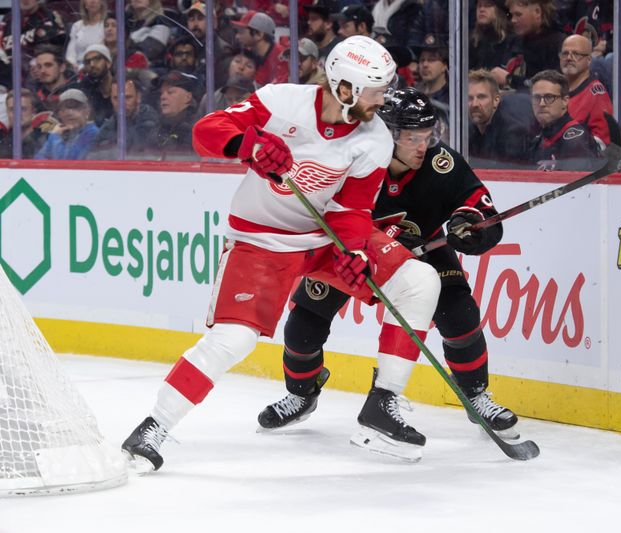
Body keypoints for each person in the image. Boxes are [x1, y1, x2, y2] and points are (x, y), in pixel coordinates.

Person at [122, 36, 441, 470]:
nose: (383, 99)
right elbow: (206, 132)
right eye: (376, 90)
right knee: (233, 340)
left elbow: (352, 208)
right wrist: (247, 146)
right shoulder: (281, 102)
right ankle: (153, 427)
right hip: (262, 242)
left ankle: (382, 406)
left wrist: (356, 252)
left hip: (324, 236)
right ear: (344, 88)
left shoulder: (375, 139)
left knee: (420, 281)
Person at [257, 88, 520, 460]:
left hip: (422, 255)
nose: (422, 146)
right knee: (303, 326)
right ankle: (301, 394)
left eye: (428, 136)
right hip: (351, 253)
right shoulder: (353, 159)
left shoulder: (441, 164)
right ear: (386, 134)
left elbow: (482, 211)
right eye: (413, 138)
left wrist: (470, 226)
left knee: (460, 315)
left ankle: (476, 396)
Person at [528, 69, 601, 170]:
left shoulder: (577, 142)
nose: (542, 104)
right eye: (536, 98)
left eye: (549, 97)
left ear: (565, 101)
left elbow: (579, 185)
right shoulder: (537, 141)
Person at [495, 0, 565, 91]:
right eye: (511, 15)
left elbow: (550, 87)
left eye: (518, 14)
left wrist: (510, 80)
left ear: (537, 12)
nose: (513, 20)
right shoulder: (513, 41)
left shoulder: (558, 44)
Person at [559, 34, 612, 147]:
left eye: (576, 54)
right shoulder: (554, 88)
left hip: (578, 161)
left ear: (588, 60)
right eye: (565, 53)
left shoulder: (596, 92)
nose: (569, 58)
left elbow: (603, 141)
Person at [468, 69, 530, 162]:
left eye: (481, 97)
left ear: (496, 100)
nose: (474, 104)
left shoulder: (512, 134)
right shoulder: (465, 132)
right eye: (469, 98)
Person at [91, 78, 159, 158]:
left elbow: (139, 149)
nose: (122, 103)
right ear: (111, 100)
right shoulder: (107, 127)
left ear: (138, 98)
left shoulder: (151, 120)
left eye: (127, 97)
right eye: (116, 98)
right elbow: (93, 156)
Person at [35, 88, 99, 160]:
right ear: (59, 114)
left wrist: (56, 137)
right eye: (64, 109)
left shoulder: (93, 133)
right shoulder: (57, 133)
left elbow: (70, 160)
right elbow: (38, 160)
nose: (69, 113)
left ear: (87, 111)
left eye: (75, 108)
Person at [232, 11, 288, 85]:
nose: (237, 36)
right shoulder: (249, 52)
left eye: (241, 32)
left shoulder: (282, 57)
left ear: (259, 35)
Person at [155, 70, 200, 156]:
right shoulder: (158, 125)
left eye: (170, 92)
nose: (163, 97)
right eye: (161, 93)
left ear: (188, 97)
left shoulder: (196, 129)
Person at [0, 88, 53, 158]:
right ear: (7, 112)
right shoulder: (2, 144)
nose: (17, 113)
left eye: (23, 109)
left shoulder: (48, 141)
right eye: (12, 109)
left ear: (33, 112)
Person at [469, 0, 516, 71]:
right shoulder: (474, 42)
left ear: (499, 11)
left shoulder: (511, 41)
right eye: (479, 6)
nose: (481, 9)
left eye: (487, 5)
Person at [31, 45, 78, 111]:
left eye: (48, 65)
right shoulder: (34, 96)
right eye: (39, 67)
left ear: (62, 67)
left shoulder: (78, 90)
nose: (42, 71)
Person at [65, 0, 108, 72]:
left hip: (98, 69)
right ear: (84, 4)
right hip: (77, 70)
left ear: (101, 2)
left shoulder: (107, 25)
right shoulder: (77, 26)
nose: (92, 1)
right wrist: (74, 66)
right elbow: (70, 55)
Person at [78, 44, 114, 126]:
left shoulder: (123, 87)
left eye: (97, 59)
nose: (92, 65)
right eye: (87, 62)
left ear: (108, 62)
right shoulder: (84, 91)